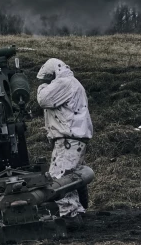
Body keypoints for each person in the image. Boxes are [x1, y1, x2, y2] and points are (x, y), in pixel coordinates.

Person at [36, 58, 93, 230]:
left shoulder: (64, 83)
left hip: (69, 139)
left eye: (47, 79)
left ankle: (70, 216)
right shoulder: (72, 83)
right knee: (70, 178)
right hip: (74, 138)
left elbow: (43, 99)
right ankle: (78, 211)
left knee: (59, 179)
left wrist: (42, 86)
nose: (45, 83)